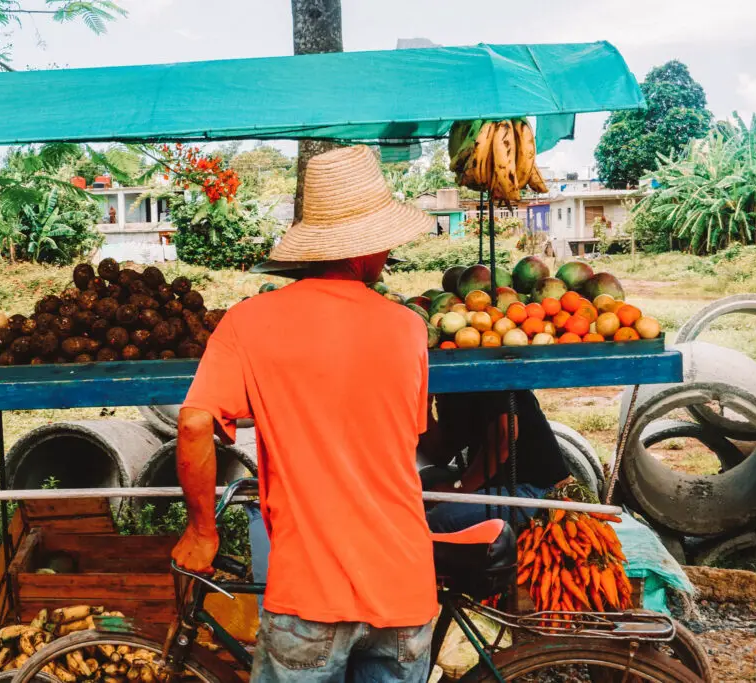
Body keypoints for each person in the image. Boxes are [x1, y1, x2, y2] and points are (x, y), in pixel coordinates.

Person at [172, 145, 438, 683]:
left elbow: (195, 422)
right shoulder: (409, 327)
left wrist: (203, 530)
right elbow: (402, 439)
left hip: (310, 591)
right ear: (368, 251)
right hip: (403, 587)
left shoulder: (250, 321)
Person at [420, 390, 572, 533]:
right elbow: (439, 455)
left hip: (536, 490)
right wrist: (423, 410)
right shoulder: (449, 391)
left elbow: (504, 436)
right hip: (493, 482)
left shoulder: (485, 376)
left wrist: (459, 489)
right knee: (426, 479)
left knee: (438, 518)